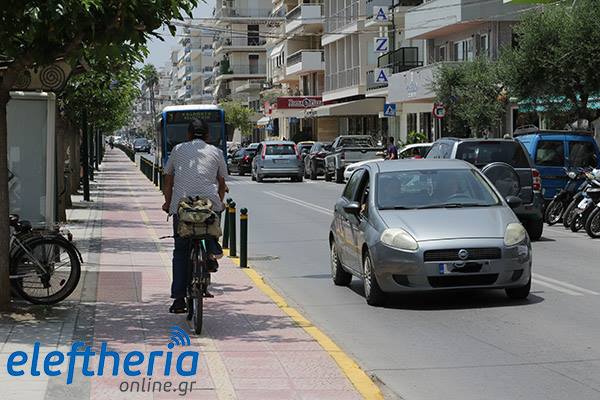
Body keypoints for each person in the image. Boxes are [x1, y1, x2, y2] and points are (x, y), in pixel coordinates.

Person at [162, 119, 228, 314]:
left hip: (182, 206)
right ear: (207, 135)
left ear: (189, 134)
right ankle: (211, 250)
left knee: (180, 251)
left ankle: (179, 299)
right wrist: (220, 202)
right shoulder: (216, 152)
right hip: (209, 205)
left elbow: (168, 179)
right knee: (212, 222)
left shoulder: (177, 150)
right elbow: (222, 182)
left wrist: (168, 203)